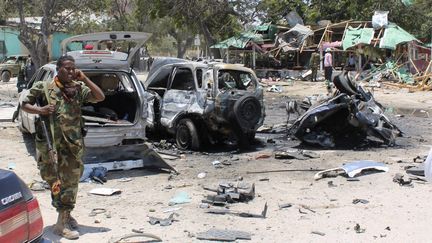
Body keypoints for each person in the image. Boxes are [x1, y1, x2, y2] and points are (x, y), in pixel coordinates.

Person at [21, 55, 105, 240]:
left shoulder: (78, 88)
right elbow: (24, 104)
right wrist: (40, 110)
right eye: (67, 68)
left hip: (72, 146)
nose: (71, 71)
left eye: (73, 68)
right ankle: (63, 215)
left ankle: (62, 221)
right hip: (50, 147)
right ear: (58, 69)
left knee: (71, 182)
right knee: (55, 182)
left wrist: (84, 78)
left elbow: (100, 96)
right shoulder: (44, 88)